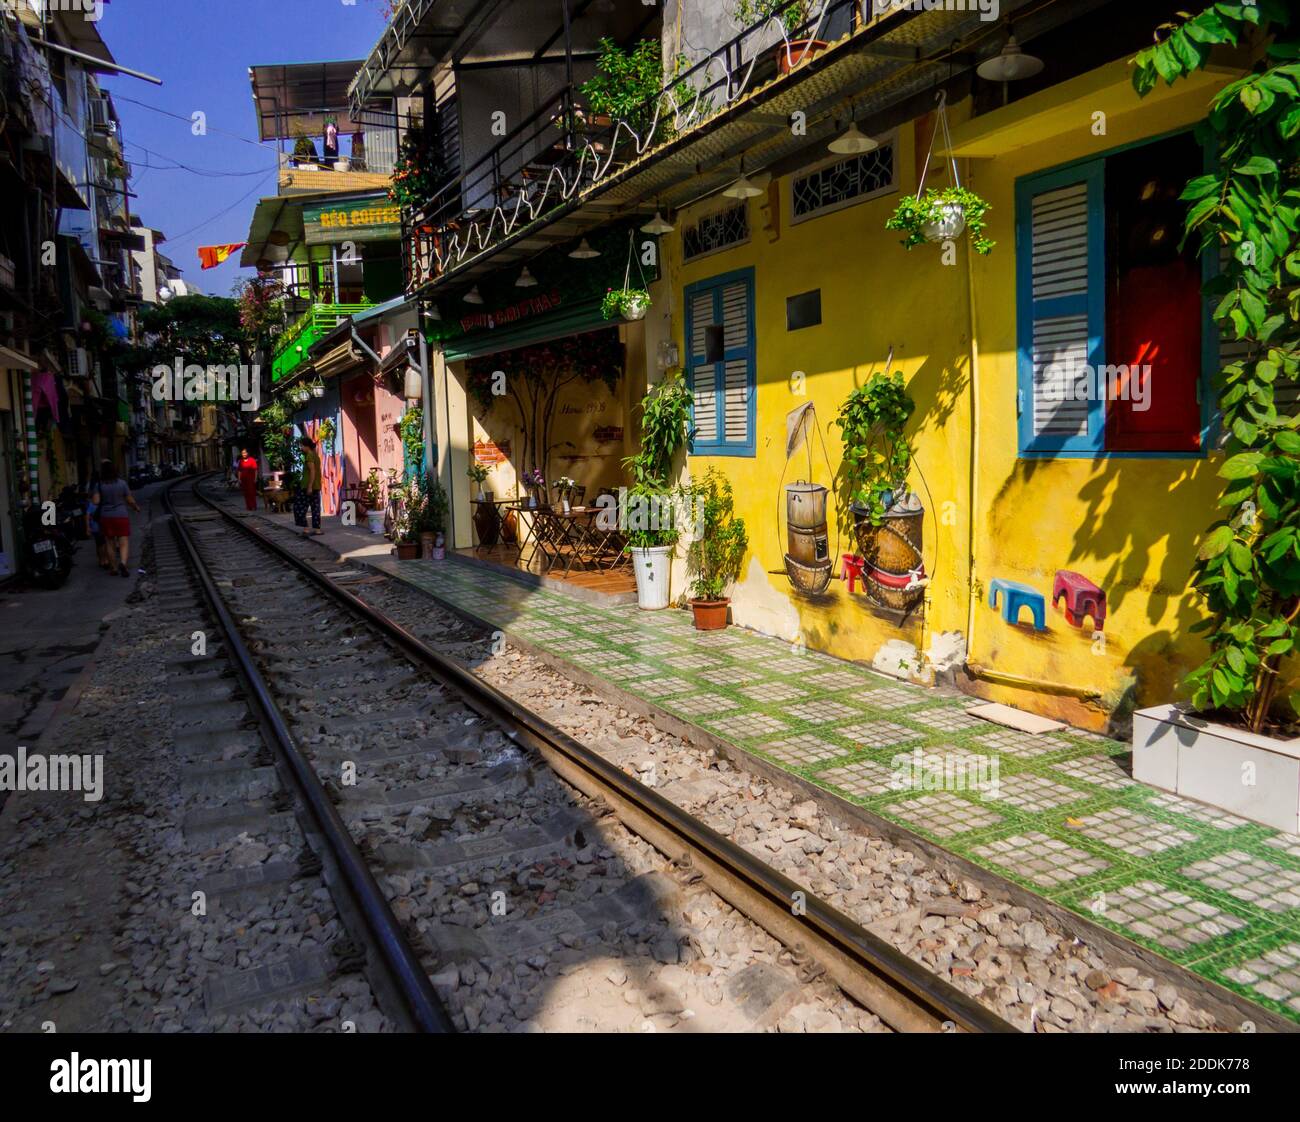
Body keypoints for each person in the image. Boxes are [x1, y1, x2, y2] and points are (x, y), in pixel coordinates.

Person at [92, 460, 138, 578]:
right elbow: (129, 499)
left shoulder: (99, 485)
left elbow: (95, 501)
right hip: (121, 515)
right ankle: (123, 563)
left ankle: (114, 567)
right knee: (123, 541)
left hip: (106, 516)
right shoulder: (122, 483)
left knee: (109, 542)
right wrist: (135, 507)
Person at [293, 436, 323, 535]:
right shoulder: (315, 455)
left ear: (307, 446)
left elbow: (312, 471)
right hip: (316, 486)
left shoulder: (309, 455)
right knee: (315, 508)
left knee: (299, 507)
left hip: (307, 486)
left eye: (302, 446)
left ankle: (306, 528)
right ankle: (317, 529)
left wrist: (309, 486)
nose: (301, 448)